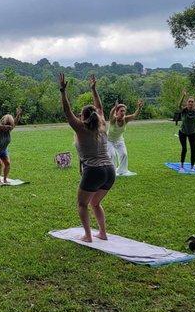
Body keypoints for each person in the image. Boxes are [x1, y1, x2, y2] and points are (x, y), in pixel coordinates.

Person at [59, 73, 115, 242]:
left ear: (82, 116)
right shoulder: (102, 126)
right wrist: (93, 89)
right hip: (110, 171)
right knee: (95, 203)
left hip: (94, 171)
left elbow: (67, 112)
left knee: (83, 204)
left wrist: (63, 91)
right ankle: (103, 233)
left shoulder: (81, 128)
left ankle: (88, 236)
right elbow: (100, 108)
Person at [107, 99, 144, 176]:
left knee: (124, 154)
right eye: (121, 111)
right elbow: (111, 114)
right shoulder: (113, 120)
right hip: (109, 140)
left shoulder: (126, 119)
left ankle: (122, 171)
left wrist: (139, 108)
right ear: (117, 112)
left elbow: (134, 116)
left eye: (124, 111)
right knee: (112, 155)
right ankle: (112, 172)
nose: (123, 113)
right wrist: (115, 107)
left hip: (119, 139)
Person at [0, 107, 22, 184]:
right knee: (0, 164)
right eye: (7, 125)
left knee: (7, 164)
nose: (9, 127)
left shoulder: (9, 130)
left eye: (10, 125)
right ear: (4, 124)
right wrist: (4, 127)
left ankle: (5, 179)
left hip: (3, 151)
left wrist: (18, 115)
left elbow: (15, 122)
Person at [177, 86, 195, 171]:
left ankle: (192, 167)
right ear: (187, 103)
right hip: (183, 132)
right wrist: (183, 95)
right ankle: (181, 166)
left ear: (194, 103)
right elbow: (179, 105)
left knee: (193, 149)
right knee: (184, 149)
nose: (190, 103)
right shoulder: (184, 110)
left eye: (192, 102)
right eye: (189, 101)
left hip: (192, 133)